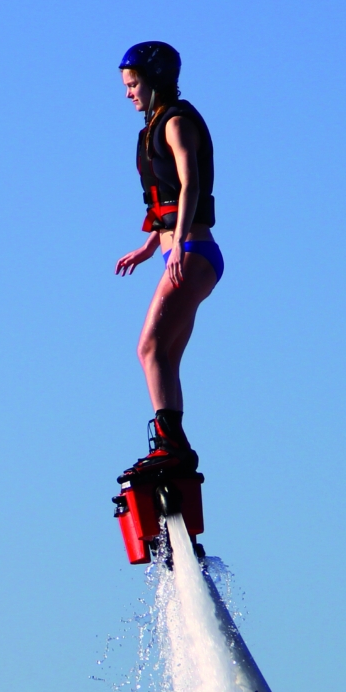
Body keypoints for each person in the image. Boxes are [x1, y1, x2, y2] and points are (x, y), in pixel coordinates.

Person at [113, 41, 220, 475]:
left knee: (149, 348)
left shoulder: (176, 123)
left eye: (134, 84)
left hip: (193, 252)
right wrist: (150, 246)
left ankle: (171, 447)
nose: (128, 93)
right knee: (166, 356)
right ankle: (175, 448)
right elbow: (165, 198)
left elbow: (190, 186)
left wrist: (174, 241)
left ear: (156, 82)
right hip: (180, 252)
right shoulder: (153, 126)